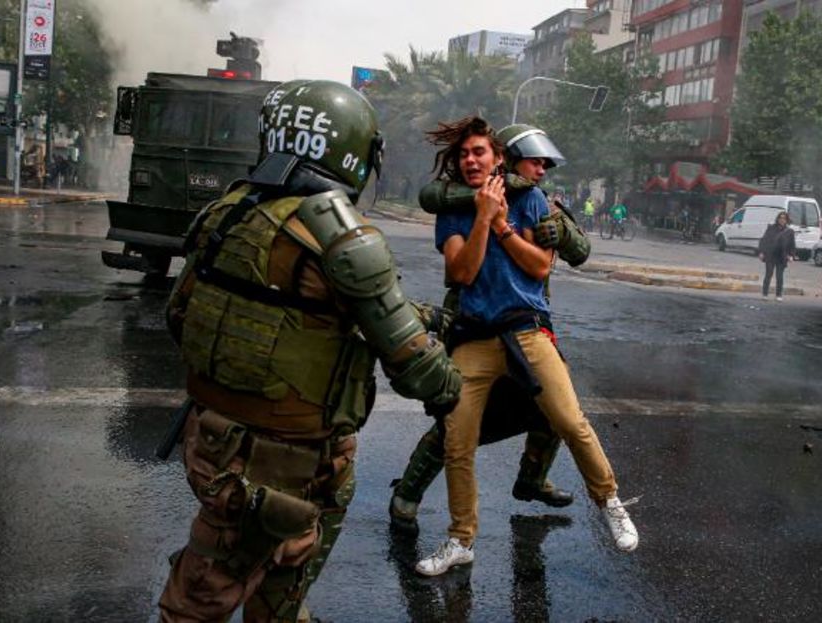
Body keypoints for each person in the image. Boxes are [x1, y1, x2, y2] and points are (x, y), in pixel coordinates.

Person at [157, 80, 462, 621]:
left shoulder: (227, 210)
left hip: (212, 437)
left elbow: (181, 316)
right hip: (286, 457)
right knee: (207, 589)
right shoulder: (342, 235)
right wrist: (449, 382)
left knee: (259, 561)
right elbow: (419, 371)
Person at [414, 116, 637, 578]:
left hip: (526, 328)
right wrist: (481, 218)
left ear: (497, 158)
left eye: (480, 152)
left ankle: (610, 502)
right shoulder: (454, 209)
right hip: (474, 336)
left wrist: (502, 227)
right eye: (464, 154)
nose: (471, 159)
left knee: (569, 421)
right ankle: (460, 539)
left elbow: (539, 267)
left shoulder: (532, 199)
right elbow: (461, 273)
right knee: (456, 440)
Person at [390, 123, 593, 534]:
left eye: (545, 163)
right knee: (458, 422)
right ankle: (407, 495)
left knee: (555, 409)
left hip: (526, 324)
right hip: (473, 323)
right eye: (534, 161)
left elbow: (577, 252)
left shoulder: (536, 200)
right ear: (509, 159)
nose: (541, 169)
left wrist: (563, 229)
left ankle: (531, 480)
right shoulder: (461, 198)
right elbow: (433, 200)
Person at [758, 211, 796, 301]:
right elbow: (764, 240)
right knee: (768, 274)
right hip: (770, 254)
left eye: (784, 218)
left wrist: (791, 255)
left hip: (781, 256)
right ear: (777, 219)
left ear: (787, 220)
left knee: (780, 276)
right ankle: (765, 294)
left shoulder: (789, 232)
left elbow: (792, 244)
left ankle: (778, 295)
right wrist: (761, 252)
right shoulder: (771, 228)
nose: (782, 220)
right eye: (780, 218)